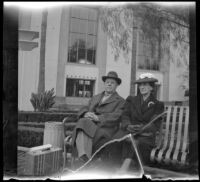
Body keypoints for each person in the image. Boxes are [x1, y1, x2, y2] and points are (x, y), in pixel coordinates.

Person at [109, 73, 164, 173]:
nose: (142, 87)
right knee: (115, 139)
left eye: (145, 85)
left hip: (145, 136)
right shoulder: (131, 100)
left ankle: (123, 169)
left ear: (151, 87)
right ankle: (113, 167)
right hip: (129, 130)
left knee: (135, 142)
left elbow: (155, 124)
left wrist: (142, 128)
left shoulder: (158, 104)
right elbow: (125, 115)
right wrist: (128, 125)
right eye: (140, 85)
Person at [71, 71, 125, 168]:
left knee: (82, 123)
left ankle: (83, 158)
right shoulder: (96, 97)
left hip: (104, 129)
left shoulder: (120, 101)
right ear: (104, 84)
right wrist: (86, 113)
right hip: (89, 126)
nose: (109, 84)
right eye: (107, 82)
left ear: (116, 86)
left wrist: (98, 118)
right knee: (84, 122)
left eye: (112, 83)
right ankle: (85, 158)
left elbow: (117, 116)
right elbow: (84, 108)